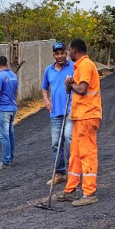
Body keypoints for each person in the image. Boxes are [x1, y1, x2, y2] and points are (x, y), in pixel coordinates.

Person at [58, 38, 101, 207]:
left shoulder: (85, 65)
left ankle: (89, 192)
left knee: (87, 153)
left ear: (74, 50)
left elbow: (82, 90)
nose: (68, 54)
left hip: (87, 116)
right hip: (79, 117)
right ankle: (71, 189)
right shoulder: (80, 66)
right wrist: (71, 85)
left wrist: (71, 84)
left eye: (69, 50)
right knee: (75, 154)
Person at [41, 41, 74, 186]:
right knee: (56, 143)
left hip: (70, 110)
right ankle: (59, 173)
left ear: (66, 53)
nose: (60, 56)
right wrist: (47, 101)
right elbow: (44, 88)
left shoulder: (73, 67)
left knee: (69, 138)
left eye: (62, 53)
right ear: (54, 55)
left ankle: (74, 173)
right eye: (57, 53)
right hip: (55, 112)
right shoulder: (49, 70)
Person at [0, 55, 18, 171]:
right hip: (12, 108)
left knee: (3, 136)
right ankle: (10, 158)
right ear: (6, 63)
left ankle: (5, 161)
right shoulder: (13, 75)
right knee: (10, 133)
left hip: (3, 109)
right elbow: (16, 92)